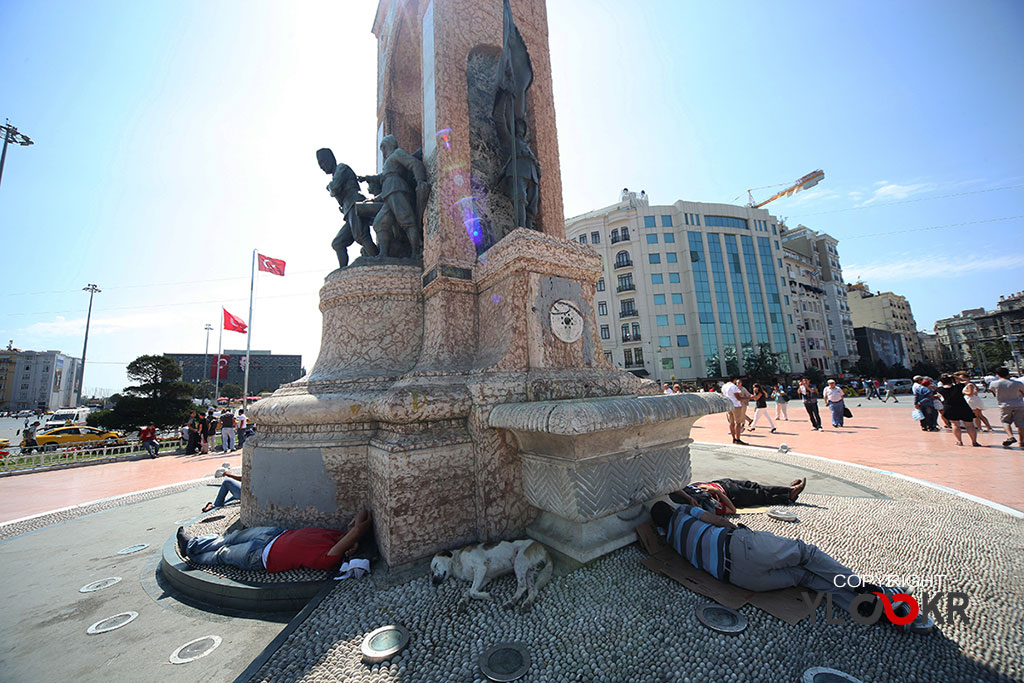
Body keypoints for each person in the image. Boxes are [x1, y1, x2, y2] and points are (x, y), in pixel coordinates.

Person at [649, 501, 932, 632]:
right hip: (740, 547)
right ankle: (867, 588)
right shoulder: (684, 513)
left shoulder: (671, 541)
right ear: (671, 510)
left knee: (805, 578)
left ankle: (873, 611)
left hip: (740, 579)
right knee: (806, 554)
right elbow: (721, 522)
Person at [176, 509, 372, 573]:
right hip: (273, 535)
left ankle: (192, 552)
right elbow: (361, 514)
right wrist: (355, 541)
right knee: (229, 538)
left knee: (223, 554)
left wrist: (355, 539)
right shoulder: (337, 536)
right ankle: (194, 544)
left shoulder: (331, 557)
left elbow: (359, 528)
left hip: (261, 556)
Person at [671, 478, 806, 515]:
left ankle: (786, 491)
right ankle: (789, 494)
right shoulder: (703, 507)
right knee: (760, 495)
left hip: (722, 483)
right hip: (730, 495)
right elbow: (732, 510)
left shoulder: (686, 495)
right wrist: (716, 492)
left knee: (754, 485)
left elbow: (675, 488)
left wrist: (689, 498)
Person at [937, 373, 980, 447]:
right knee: (970, 425)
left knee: (955, 425)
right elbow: (966, 381)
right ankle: (974, 441)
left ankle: (959, 441)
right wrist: (954, 376)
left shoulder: (940, 389)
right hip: (963, 407)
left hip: (950, 407)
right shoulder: (958, 387)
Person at [988, 367, 1024, 449]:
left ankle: (1010, 436)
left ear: (997, 375)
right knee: (1021, 423)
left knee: (1005, 422)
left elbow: (993, 392)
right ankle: (1022, 441)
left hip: (1004, 405)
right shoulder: (1017, 383)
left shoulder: (994, 383)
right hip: (1019, 404)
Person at [720, 377, 748, 444]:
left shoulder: (724, 386)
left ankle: (734, 438)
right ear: (734, 380)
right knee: (738, 423)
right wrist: (749, 398)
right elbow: (738, 398)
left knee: (731, 423)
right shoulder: (733, 386)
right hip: (735, 405)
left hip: (728, 405)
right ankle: (738, 439)